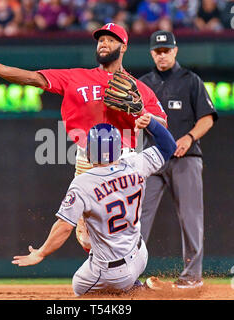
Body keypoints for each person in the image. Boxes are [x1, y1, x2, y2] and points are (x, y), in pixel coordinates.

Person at [0, 22, 167, 251]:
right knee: (86, 238)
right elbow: (32, 78)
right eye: (101, 40)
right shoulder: (77, 77)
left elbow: (162, 123)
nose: (104, 43)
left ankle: (126, 278)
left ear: (123, 47)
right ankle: (118, 278)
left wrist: (143, 114)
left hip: (125, 160)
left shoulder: (139, 89)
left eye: (111, 40)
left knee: (120, 227)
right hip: (87, 160)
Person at [12, 114, 177, 296]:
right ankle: (135, 285)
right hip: (140, 255)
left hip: (112, 271)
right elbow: (169, 146)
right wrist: (152, 123)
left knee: (79, 287)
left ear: (89, 153)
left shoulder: (83, 183)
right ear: (119, 148)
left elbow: (64, 227)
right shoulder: (136, 164)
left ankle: (138, 289)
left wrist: (40, 253)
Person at [139, 30, 218, 289]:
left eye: (167, 50)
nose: (162, 55)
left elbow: (207, 117)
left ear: (175, 51)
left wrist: (189, 137)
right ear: (152, 53)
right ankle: (127, 274)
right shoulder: (142, 83)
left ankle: (192, 276)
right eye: (158, 51)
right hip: (152, 159)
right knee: (137, 217)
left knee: (191, 217)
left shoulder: (190, 80)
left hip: (186, 157)